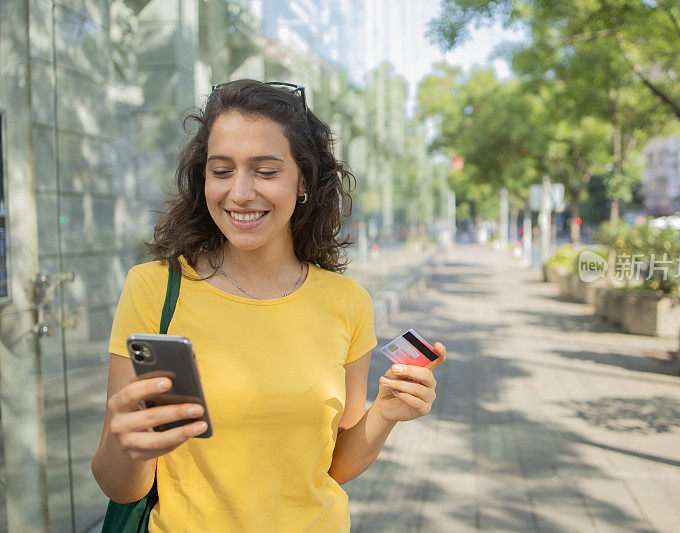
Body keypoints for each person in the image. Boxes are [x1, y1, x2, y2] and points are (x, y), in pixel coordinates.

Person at [91, 79, 444, 532]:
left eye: (265, 170)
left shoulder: (347, 302)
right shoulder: (154, 288)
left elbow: (336, 466)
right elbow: (120, 487)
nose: (239, 192)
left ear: (304, 184)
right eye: (221, 171)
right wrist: (128, 444)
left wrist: (385, 412)